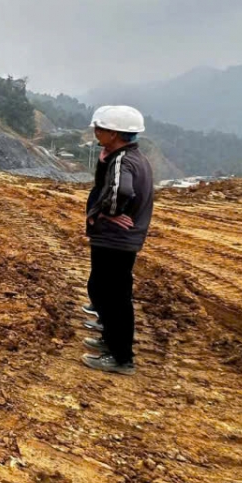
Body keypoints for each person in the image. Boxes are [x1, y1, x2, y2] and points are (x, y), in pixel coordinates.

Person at [82, 106, 154, 375]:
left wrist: (106, 214)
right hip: (122, 240)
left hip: (115, 239)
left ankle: (121, 358)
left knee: (112, 296)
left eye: (99, 129)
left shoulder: (123, 161)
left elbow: (121, 190)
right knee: (106, 291)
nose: (95, 133)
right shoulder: (132, 157)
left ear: (114, 133)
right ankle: (110, 341)